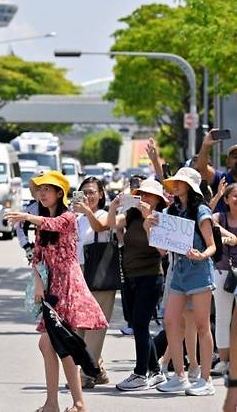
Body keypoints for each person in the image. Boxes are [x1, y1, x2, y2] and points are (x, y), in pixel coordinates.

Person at [5, 171, 107, 412]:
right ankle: (62, 402)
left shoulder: (68, 217)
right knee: (53, 345)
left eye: (47, 189)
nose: (41, 193)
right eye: (39, 189)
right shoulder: (42, 224)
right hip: (51, 287)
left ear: (60, 193)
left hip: (68, 286)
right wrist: (39, 282)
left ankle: (72, 403)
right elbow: (37, 257)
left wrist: (27, 216)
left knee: (56, 344)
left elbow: (54, 224)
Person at [146, 167, 217, 396]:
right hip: (178, 273)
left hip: (199, 272)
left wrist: (202, 255)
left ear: (191, 186)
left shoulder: (202, 210)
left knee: (201, 325)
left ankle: (206, 381)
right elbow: (162, 251)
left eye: (180, 181)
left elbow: (212, 245)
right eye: (174, 181)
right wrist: (149, 229)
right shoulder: (170, 211)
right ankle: (180, 376)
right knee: (170, 322)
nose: (174, 185)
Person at [108, 178, 168, 391]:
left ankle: (140, 373)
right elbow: (113, 223)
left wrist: (147, 218)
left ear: (159, 199)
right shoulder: (132, 215)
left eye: (149, 195)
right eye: (141, 194)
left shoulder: (160, 219)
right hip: (131, 276)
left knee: (141, 326)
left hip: (150, 276)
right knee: (138, 324)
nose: (144, 198)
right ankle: (156, 371)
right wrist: (114, 207)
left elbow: (163, 250)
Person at [73, 176, 114, 388]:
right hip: (78, 273)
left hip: (99, 273)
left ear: (101, 195)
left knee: (95, 325)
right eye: (84, 192)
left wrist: (87, 211)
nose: (88, 196)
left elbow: (100, 227)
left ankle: (87, 374)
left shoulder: (104, 214)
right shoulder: (75, 218)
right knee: (79, 326)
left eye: (92, 192)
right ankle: (98, 370)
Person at [211, 183, 237, 377]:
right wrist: (217, 195)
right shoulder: (218, 217)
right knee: (222, 317)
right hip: (222, 272)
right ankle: (223, 361)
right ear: (227, 200)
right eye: (234, 196)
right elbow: (202, 217)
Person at [194, 128, 237, 212]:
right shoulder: (221, 179)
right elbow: (202, 169)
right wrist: (205, 145)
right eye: (236, 157)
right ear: (228, 162)